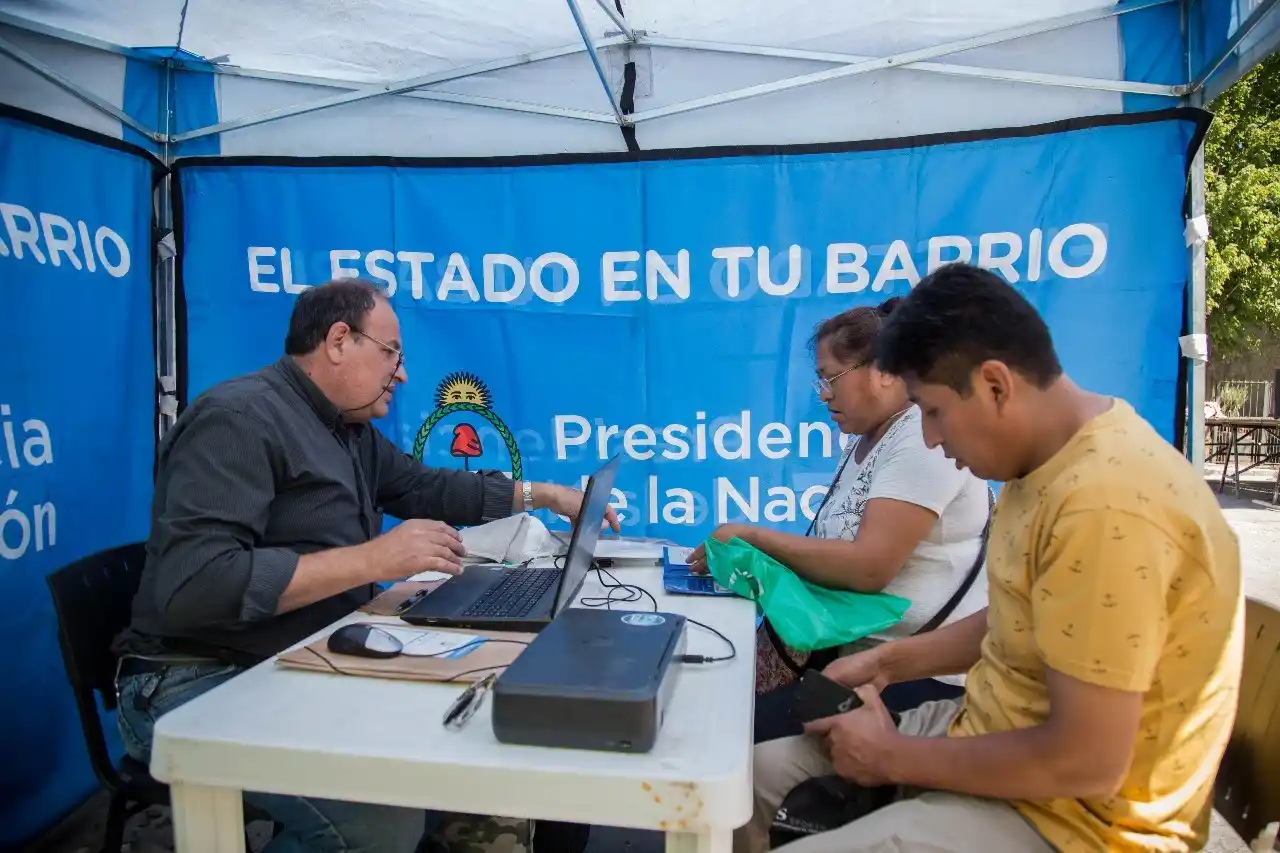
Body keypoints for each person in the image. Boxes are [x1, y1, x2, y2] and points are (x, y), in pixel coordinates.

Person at [736, 262, 1243, 853]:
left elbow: (1086, 763)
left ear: (996, 385)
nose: (930, 440)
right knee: (733, 790)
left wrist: (895, 757)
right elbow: (1020, 619)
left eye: (932, 411)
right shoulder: (1045, 462)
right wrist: (889, 664)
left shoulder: (1108, 508)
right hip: (986, 733)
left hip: (1075, 822)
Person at [112, 279, 617, 853]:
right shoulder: (237, 420)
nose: (401, 374)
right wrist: (374, 559)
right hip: (194, 678)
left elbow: (426, 487)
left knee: (462, 751)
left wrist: (544, 495)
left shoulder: (347, 430)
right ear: (337, 340)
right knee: (378, 823)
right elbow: (198, 586)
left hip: (301, 653)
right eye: (391, 353)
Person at [687, 297, 991, 742]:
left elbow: (868, 567)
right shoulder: (871, 436)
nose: (825, 395)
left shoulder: (918, 438)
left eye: (832, 379)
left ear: (885, 370)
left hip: (913, 681)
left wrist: (754, 536)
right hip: (853, 659)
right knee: (709, 705)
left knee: (724, 737)